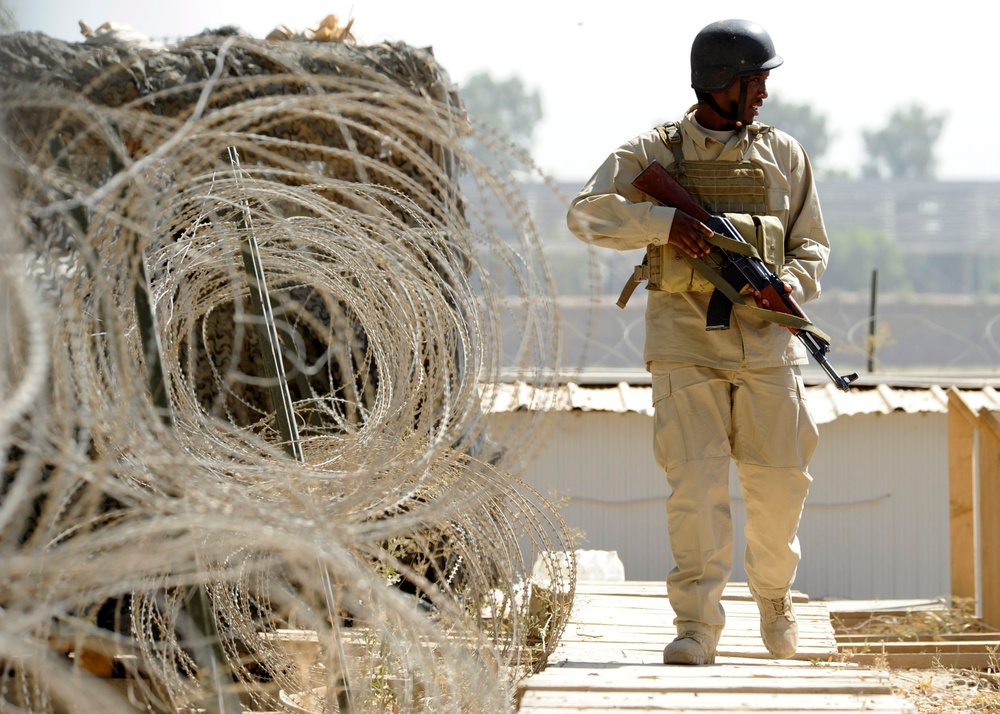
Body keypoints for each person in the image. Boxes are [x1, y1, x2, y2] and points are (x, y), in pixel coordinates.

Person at [566, 19, 828, 665]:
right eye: (754, 79)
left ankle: (773, 599)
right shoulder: (654, 150)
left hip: (767, 344)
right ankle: (696, 628)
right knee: (696, 489)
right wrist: (663, 223)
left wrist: (785, 285)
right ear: (721, 83)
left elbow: (811, 242)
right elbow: (585, 213)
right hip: (684, 341)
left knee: (778, 486)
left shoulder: (783, 153)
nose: (763, 91)